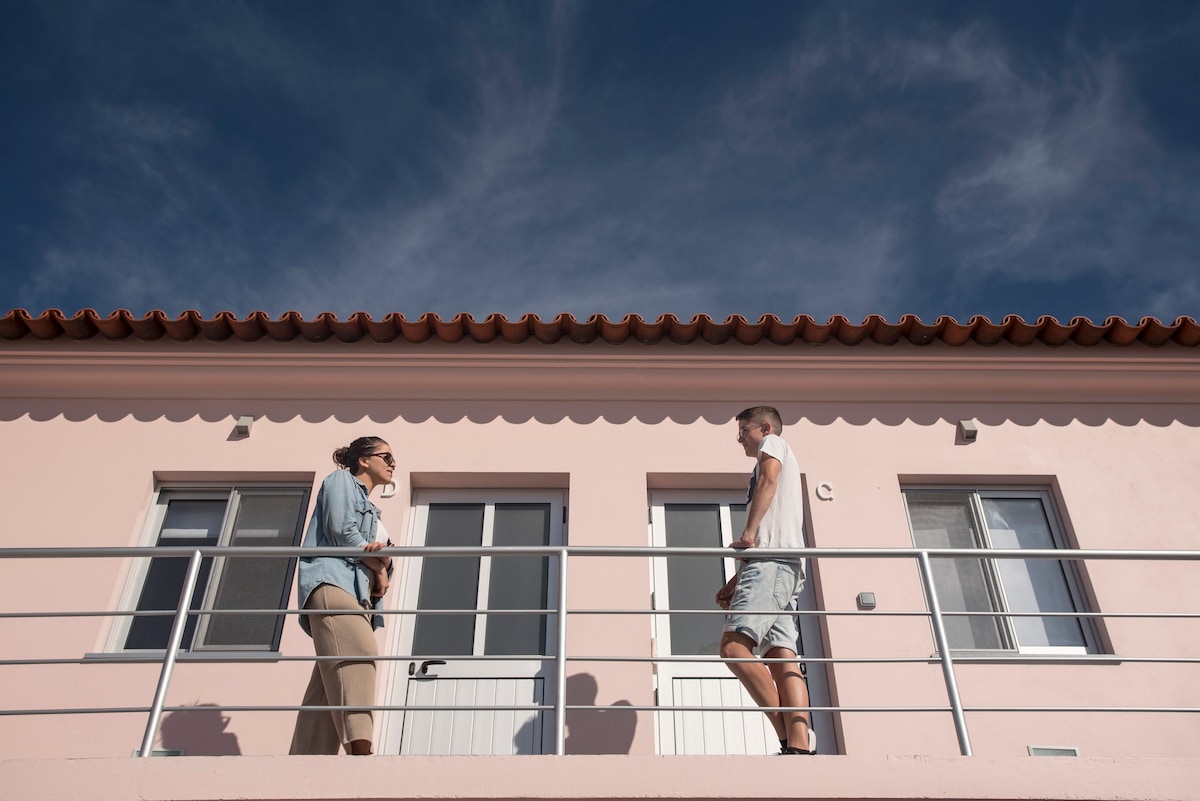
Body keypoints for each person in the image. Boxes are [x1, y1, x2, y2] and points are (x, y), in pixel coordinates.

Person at [714, 406, 813, 755]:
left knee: (733, 648)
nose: (740, 438)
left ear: (765, 428)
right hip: (779, 566)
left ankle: (787, 734)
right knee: (781, 657)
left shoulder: (773, 446)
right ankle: (800, 747)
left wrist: (748, 535)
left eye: (743, 431)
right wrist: (737, 579)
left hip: (770, 562)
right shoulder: (767, 458)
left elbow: (769, 484)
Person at [289, 436, 395, 756]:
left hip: (358, 597)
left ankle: (305, 761)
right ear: (363, 460)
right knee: (359, 653)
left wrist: (381, 567)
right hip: (331, 584)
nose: (392, 464)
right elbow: (340, 531)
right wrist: (378, 565)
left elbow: (383, 574)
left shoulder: (374, 514)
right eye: (386, 456)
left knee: (328, 683)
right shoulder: (340, 481)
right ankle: (361, 752)